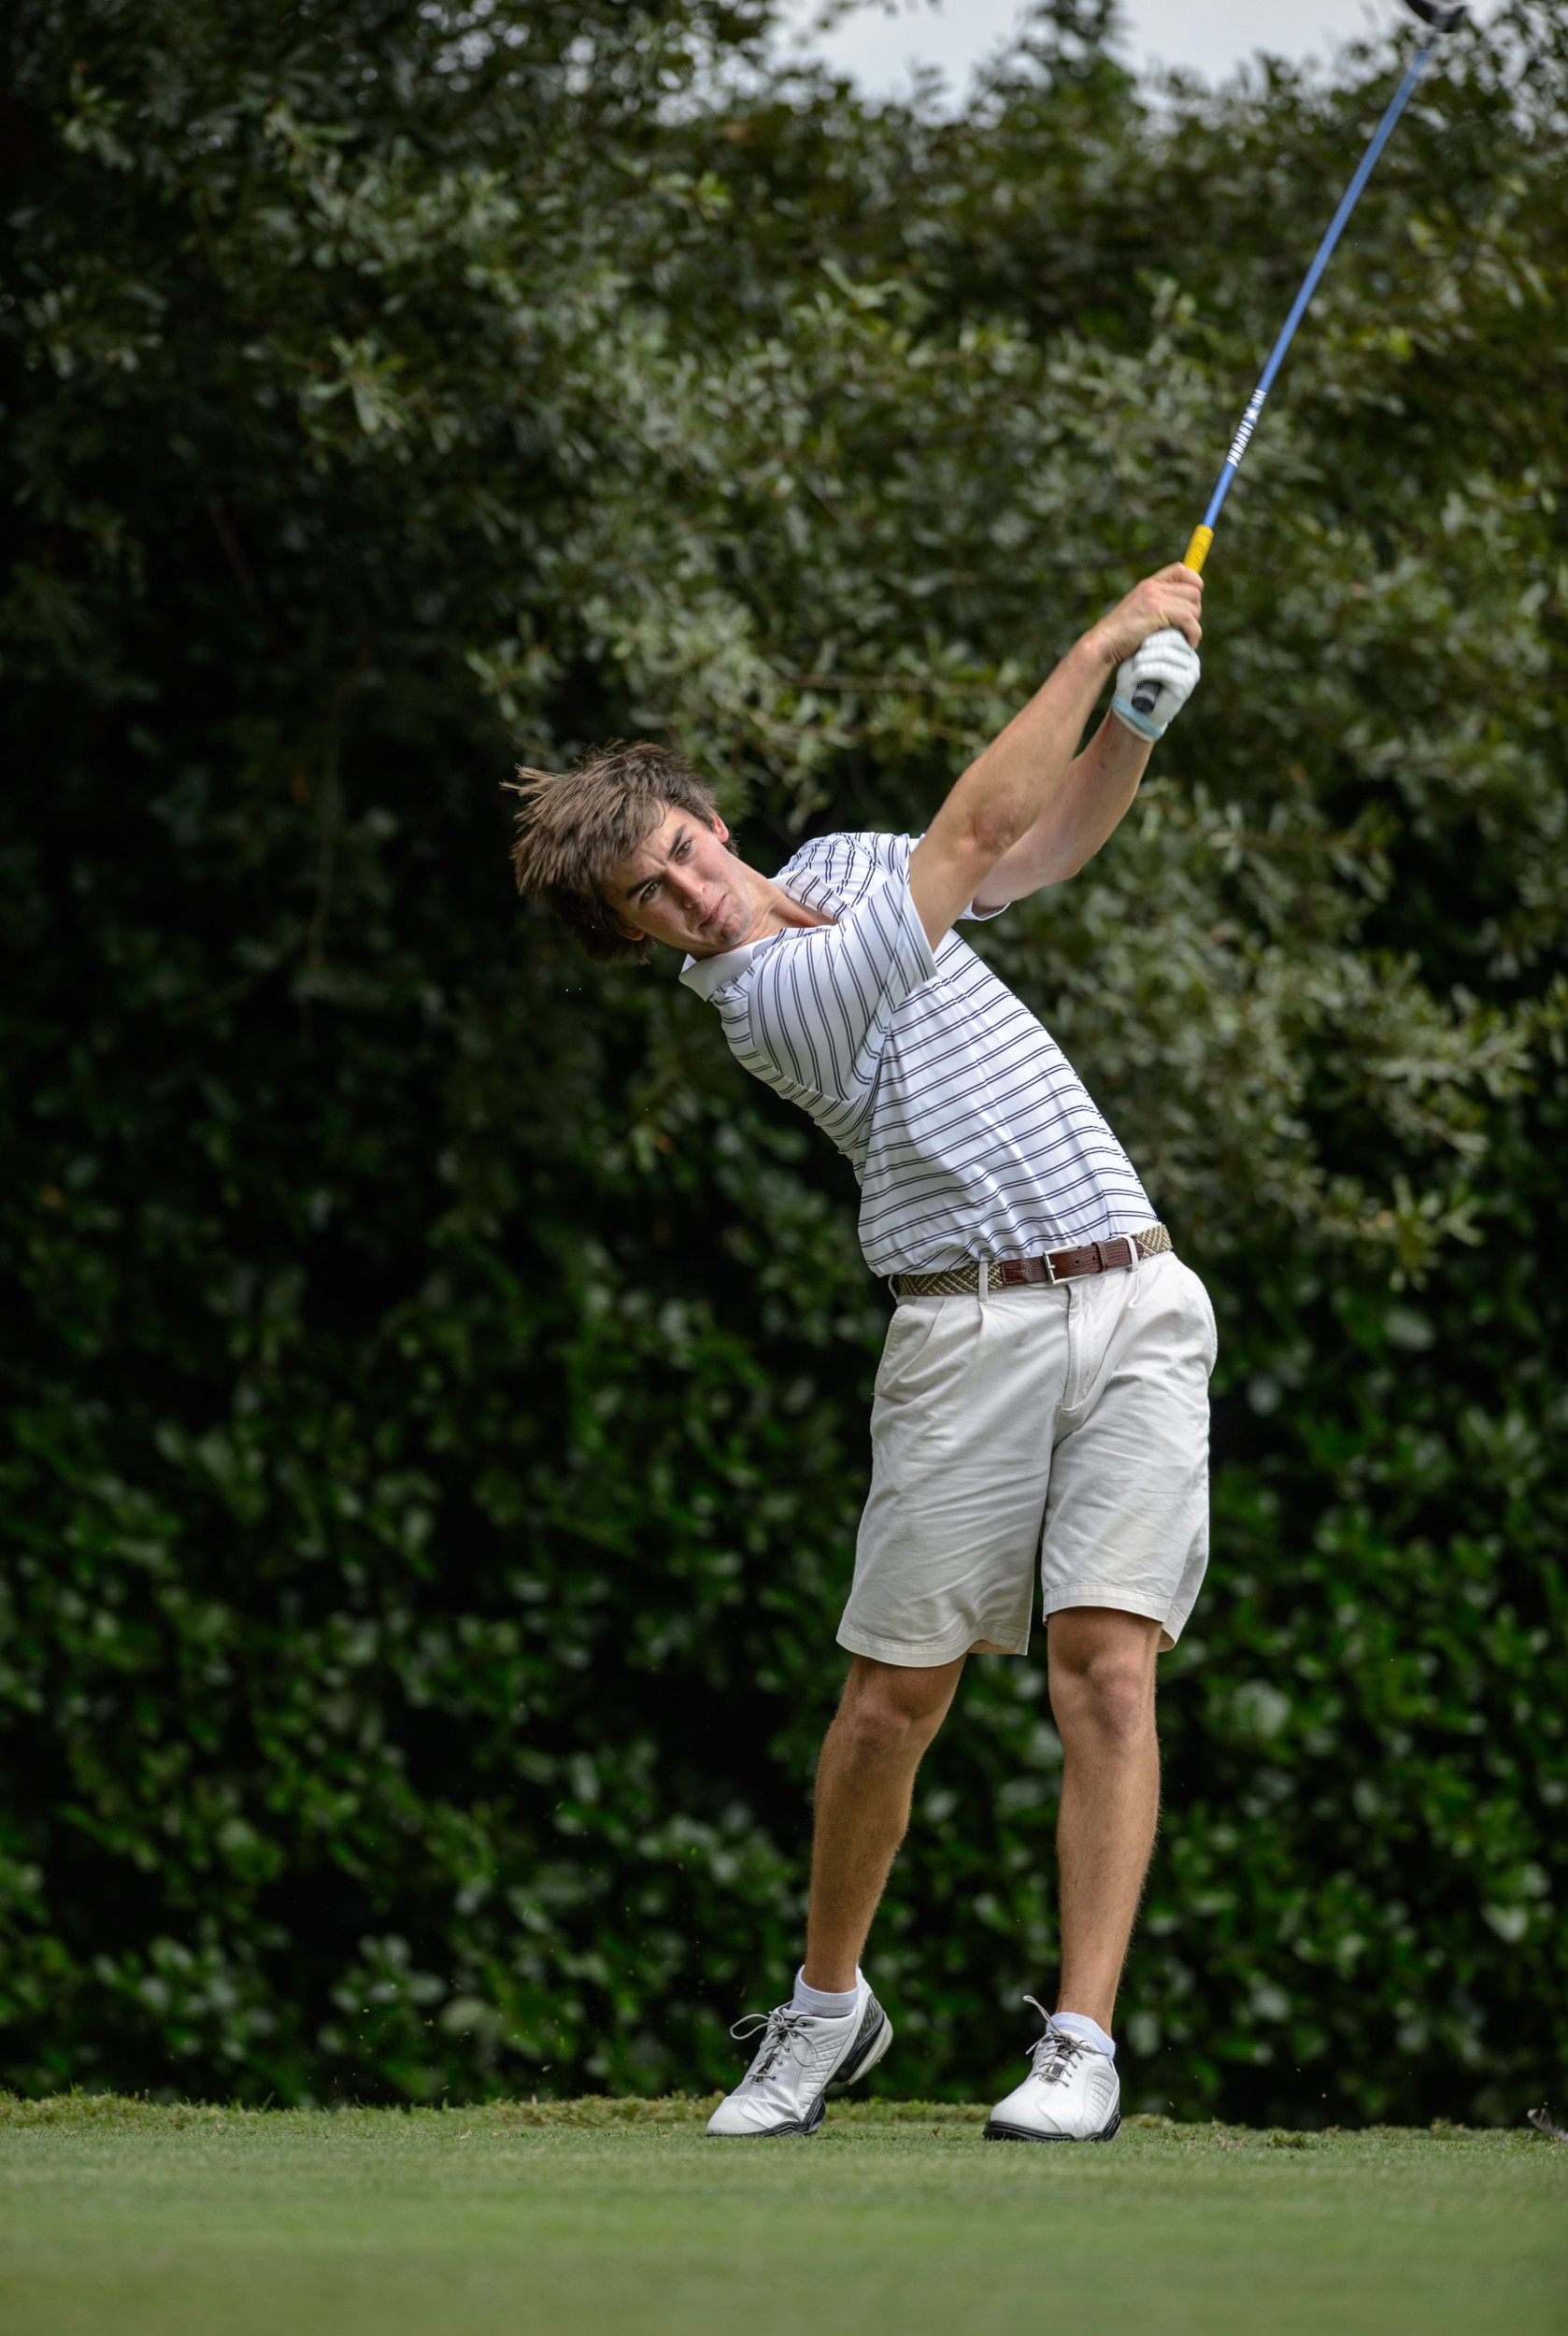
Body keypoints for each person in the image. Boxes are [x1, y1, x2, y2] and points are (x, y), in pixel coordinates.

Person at [509, 563, 1215, 2144]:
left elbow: (1031, 848)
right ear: (634, 937)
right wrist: (1097, 641)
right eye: (649, 897)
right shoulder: (766, 1001)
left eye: (682, 852)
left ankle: (1081, 2047)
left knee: (1109, 1673)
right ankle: (827, 2007)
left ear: (712, 822)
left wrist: (1129, 727)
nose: (690, 892)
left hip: (1137, 1292)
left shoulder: (837, 863)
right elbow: (964, 839)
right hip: (964, 1327)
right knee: (891, 1700)